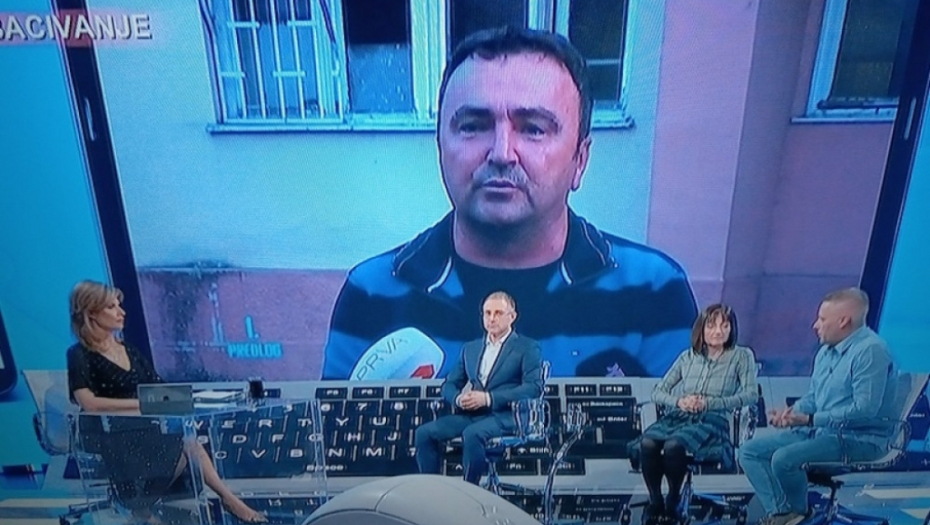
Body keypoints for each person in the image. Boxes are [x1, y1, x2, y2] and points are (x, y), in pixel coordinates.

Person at [323, 26, 696, 380]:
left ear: (580, 160)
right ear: (440, 148)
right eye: (473, 125)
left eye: (534, 128)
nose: (501, 153)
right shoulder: (371, 294)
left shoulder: (654, 293)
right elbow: (337, 427)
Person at [66, 280, 265, 523]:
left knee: (189, 441)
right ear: (92, 314)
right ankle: (144, 508)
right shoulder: (79, 354)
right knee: (185, 444)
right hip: (112, 435)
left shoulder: (128, 349)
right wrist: (142, 405)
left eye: (119, 305)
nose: (121, 312)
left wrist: (188, 399)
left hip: (145, 427)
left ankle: (224, 499)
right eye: (111, 307)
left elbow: (158, 389)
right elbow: (89, 403)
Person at [738, 288, 897, 525]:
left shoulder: (871, 351)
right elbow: (814, 397)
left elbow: (865, 409)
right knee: (749, 451)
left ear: (843, 321)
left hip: (859, 439)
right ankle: (783, 513)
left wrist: (811, 420)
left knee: (784, 458)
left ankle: (798, 514)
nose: (815, 325)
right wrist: (792, 413)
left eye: (822, 319)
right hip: (821, 432)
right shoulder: (825, 352)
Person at [628, 304, 758, 524]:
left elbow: (751, 395)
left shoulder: (742, 356)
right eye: (712, 326)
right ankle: (655, 501)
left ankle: (673, 500)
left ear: (732, 329)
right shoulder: (687, 357)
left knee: (674, 445)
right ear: (701, 329)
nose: (718, 331)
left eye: (725, 326)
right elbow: (658, 391)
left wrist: (711, 403)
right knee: (648, 444)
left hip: (713, 419)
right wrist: (680, 401)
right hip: (680, 417)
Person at [414, 291, 542, 485]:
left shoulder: (527, 347)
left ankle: (469, 490)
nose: (492, 318)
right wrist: (458, 399)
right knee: (424, 433)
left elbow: (533, 388)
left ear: (512, 316)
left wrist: (488, 398)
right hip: (473, 415)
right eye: (487, 313)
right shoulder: (470, 349)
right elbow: (449, 384)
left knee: (473, 434)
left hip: (508, 416)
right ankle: (431, 488)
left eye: (498, 313)